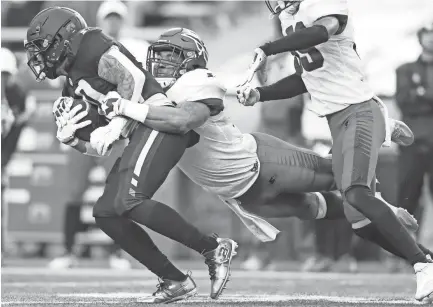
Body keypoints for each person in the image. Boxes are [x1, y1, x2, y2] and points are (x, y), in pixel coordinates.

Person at [102, 27, 433, 272]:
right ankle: (414, 247)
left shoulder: (197, 82)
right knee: (320, 209)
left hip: (262, 162)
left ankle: (380, 135)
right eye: (157, 57)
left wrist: (127, 109)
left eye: (170, 56)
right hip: (244, 193)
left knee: (343, 180)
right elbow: (124, 131)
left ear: (192, 61)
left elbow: (183, 119)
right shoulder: (150, 98)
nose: (160, 64)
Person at [25, 7, 237, 303]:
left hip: (159, 120)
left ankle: (213, 248)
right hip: (140, 132)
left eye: (42, 48)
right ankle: (174, 279)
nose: (39, 57)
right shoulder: (73, 84)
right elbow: (98, 147)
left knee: (130, 200)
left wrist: (116, 126)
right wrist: (72, 139)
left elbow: (135, 80)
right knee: (106, 212)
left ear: (62, 39)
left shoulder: (92, 45)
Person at [235, 0, 433, 301]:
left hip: (358, 111)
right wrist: (261, 94)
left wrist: (269, 47)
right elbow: (308, 78)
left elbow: (320, 33)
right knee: (362, 224)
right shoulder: (292, 18)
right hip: (338, 120)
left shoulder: (323, 6)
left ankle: (421, 265)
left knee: (356, 193)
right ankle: (427, 259)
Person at [395, 23, 433, 232]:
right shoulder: (405, 70)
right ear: (420, 38)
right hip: (413, 140)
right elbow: (403, 100)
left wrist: (420, 93)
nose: (431, 39)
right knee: (408, 195)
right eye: (428, 34)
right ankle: (401, 251)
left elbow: (414, 100)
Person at [1, 47, 36, 264]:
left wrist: (3, 161)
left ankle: (2, 248)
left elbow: (15, 132)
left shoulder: (18, 96)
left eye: (5, 75)